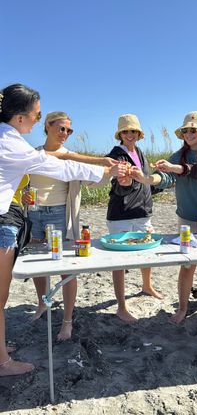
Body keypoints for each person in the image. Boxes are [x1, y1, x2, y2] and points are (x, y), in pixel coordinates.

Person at [0, 83, 126, 376]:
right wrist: (107, 172)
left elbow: (66, 159)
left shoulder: (6, 138)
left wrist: (100, 165)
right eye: (36, 115)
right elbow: (57, 167)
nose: (36, 119)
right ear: (20, 118)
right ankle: (2, 363)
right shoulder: (12, 143)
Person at [130, 111, 197, 323]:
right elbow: (166, 178)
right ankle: (182, 309)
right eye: (185, 130)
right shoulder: (177, 157)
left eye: (193, 129)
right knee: (187, 266)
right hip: (187, 220)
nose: (189, 133)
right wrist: (147, 178)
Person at [28, 111, 117, 340]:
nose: (65, 133)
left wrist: (111, 173)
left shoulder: (71, 156)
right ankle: (42, 304)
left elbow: (91, 178)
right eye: (61, 128)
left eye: (69, 130)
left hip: (60, 212)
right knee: (38, 263)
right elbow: (24, 182)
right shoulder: (33, 154)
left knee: (67, 267)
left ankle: (67, 320)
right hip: (34, 212)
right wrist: (25, 196)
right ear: (47, 126)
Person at [106, 114, 163, 323]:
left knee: (147, 253)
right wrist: (124, 184)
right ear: (120, 134)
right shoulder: (115, 155)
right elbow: (116, 187)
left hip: (143, 212)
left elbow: (146, 183)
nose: (130, 135)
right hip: (121, 215)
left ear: (138, 134)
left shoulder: (139, 152)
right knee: (119, 262)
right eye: (126, 131)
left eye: (133, 131)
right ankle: (121, 306)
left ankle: (146, 286)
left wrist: (163, 179)